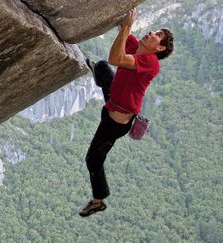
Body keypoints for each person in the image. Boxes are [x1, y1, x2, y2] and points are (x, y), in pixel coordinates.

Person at [79, 8, 174, 217]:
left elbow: (116, 57)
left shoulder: (151, 64)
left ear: (159, 48)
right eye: (155, 31)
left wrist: (128, 26)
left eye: (158, 36)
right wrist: (124, 20)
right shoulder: (137, 47)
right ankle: (98, 75)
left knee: (93, 158)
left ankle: (98, 200)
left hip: (115, 123)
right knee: (103, 68)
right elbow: (121, 26)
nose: (152, 33)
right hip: (114, 100)